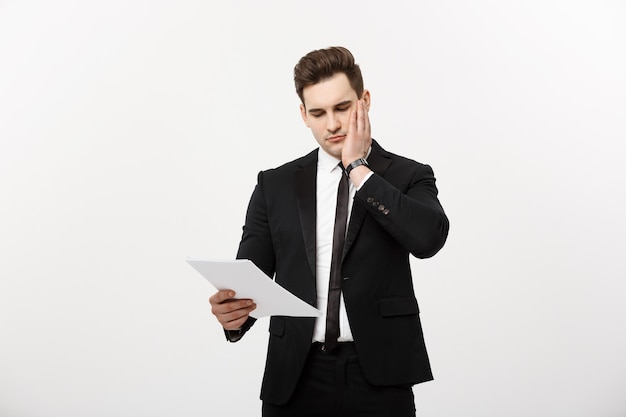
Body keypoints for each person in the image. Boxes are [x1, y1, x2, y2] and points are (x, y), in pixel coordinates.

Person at [209, 46, 449, 417]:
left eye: (342, 108)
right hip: (295, 374)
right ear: (303, 115)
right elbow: (251, 277)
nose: (332, 125)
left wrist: (358, 168)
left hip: (381, 375)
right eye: (318, 113)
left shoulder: (408, 175)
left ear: (364, 101)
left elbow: (428, 239)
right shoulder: (275, 184)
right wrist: (233, 311)